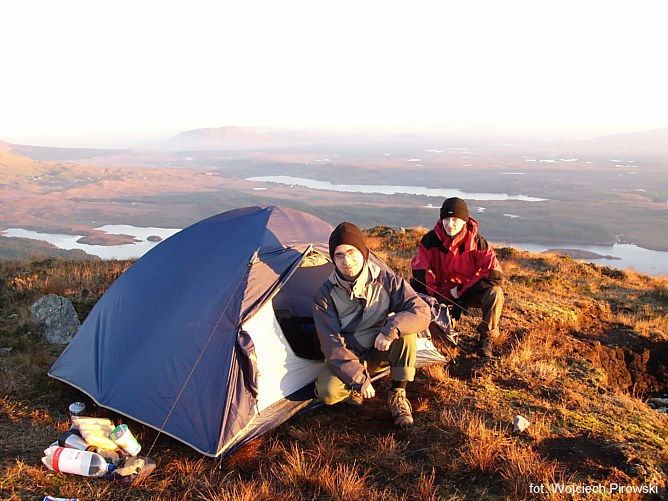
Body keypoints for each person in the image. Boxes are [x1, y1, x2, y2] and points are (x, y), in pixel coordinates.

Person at [313, 222, 431, 428]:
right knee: (327, 393)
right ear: (332, 259)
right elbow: (332, 345)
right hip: (350, 354)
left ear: (363, 252)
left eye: (351, 252)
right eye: (339, 256)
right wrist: (358, 379)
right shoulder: (325, 295)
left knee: (405, 332)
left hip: (379, 348)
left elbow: (421, 311)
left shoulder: (386, 281)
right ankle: (354, 389)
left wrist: (389, 331)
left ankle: (398, 393)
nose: (346, 261)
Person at [410, 197, 503, 358]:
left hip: (468, 290)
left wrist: (461, 292)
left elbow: (495, 273)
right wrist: (436, 294)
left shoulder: (477, 242)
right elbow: (419, 272)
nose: (450, 224)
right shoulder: (430, 240)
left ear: (464, 221)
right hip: (441, 292)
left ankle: (486, 338)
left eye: (455, 219)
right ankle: (431, 331)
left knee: (495, 293)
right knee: (414, 290)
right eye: (446, 219)